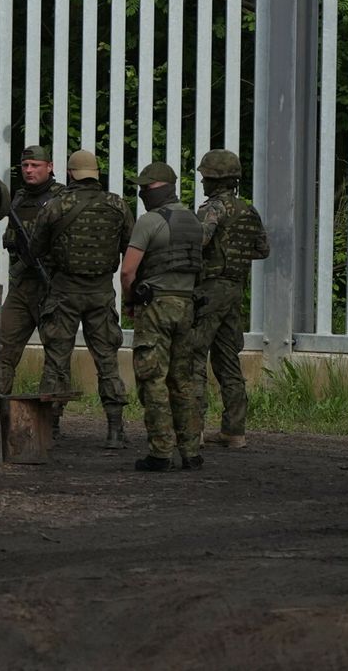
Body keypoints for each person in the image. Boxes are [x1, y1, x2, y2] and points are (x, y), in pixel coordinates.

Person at [28, 150, 134, 447]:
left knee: (56, 361)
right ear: (95, 174)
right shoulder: (117, 205)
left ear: (71, 173)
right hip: (101, 292)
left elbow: (36, 249)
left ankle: (51, 427)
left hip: (63, 292)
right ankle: (115, 430)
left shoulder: (56, 206)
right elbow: (131, 247)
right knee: (107, 361)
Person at [120, 161, 203, 471]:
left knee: (152, 378)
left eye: (148, 188)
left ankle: (161, 452)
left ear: (164, 188)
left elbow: (128, 270)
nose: (143, 193)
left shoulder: (149, 221)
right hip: (187, 306)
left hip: (155, 306)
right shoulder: (194, 221)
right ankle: (191, 451)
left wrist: (129, 301)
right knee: (183, 380)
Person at [190, 149, 270, 449]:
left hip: (210, 290)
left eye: (205, 177)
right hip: (235, 291)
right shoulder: (249, 211)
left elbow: (200, 240)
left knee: (194, 355)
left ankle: (192, 428)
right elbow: (263, 249)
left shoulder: (213, 209)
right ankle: (234, 430)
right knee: (227, 360)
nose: (202, 182)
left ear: (215, 179)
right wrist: (235, 254)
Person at [0, 146, 64, 395]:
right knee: (2, 350)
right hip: (22, 286)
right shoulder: (18, 198)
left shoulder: (62, 198)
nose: (28, 170)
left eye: (35, 165)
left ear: (49, 167)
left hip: (50, 286)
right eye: (25, 165)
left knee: (56, 355)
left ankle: (52, 415)